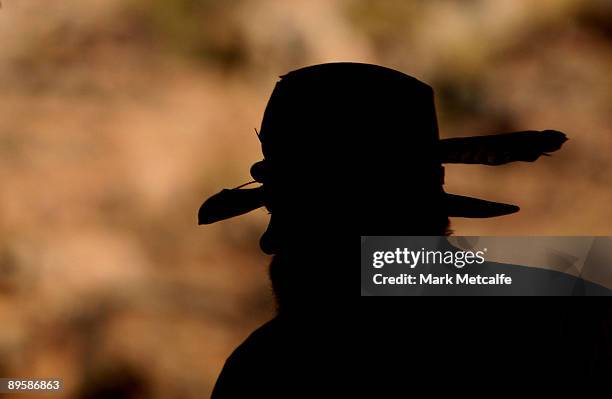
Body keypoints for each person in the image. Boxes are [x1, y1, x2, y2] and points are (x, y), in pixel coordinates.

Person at [198, 63, 607, 395]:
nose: (271, 243)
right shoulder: (568, 319)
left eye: (300, 220)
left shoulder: (269, 371)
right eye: (278, 216)